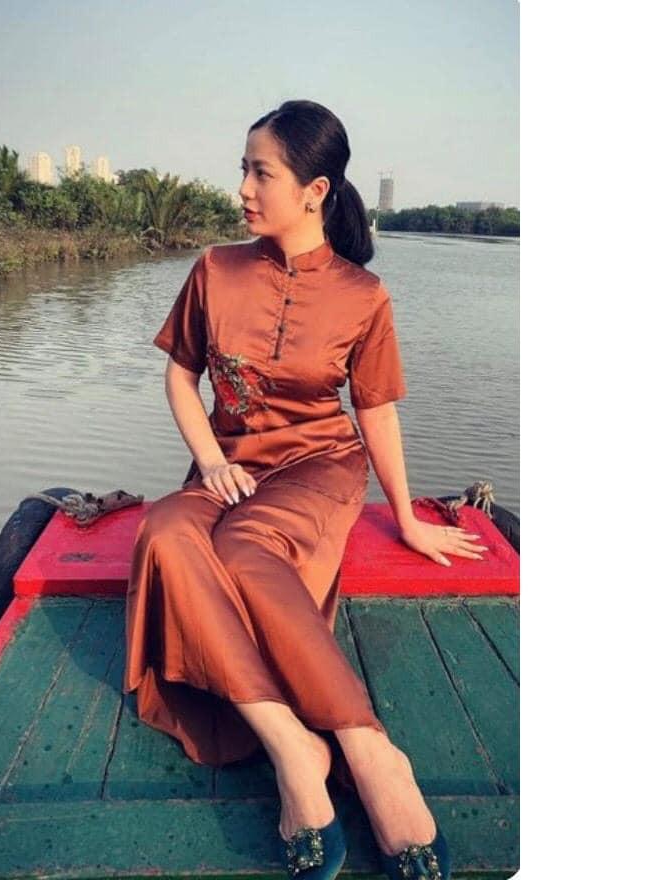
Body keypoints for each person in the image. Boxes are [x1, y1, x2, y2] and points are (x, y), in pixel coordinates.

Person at [123, 100, 486, 880]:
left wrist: (407, 516)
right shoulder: (215, 269)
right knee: (166, 532)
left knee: (244, 546)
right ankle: (292, 745)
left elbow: (375, 411)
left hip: (319, 463)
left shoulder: (363, 295)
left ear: (315, 190)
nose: (244, 189)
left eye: (262, 173)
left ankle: (368, 749)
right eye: (244, 170)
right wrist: (208, 461)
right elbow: (181, 377)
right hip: (229, 461)